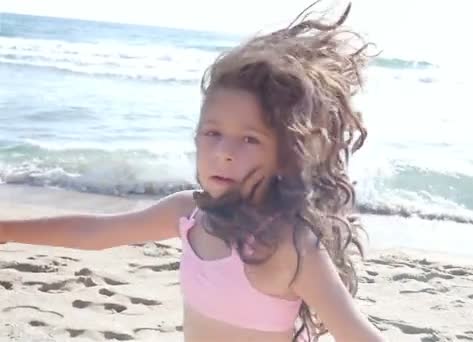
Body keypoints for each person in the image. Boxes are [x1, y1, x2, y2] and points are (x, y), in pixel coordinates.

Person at [0, 2, 384, 341]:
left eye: (249, 140)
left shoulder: (291, 246)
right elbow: (96, 231)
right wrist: (9, 230)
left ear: (286, 155)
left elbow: (357, 335)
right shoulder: (189, 214)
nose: (225, 153)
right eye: (213, 133)